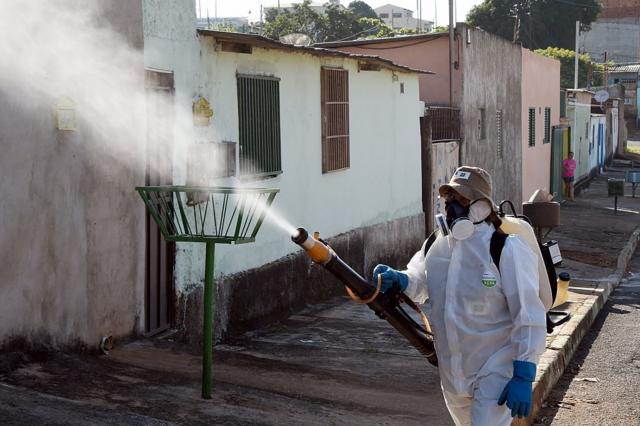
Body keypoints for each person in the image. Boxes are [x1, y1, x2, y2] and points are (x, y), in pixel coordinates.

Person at [373, 166, 547, 426]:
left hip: (495, 367)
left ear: (483, 205)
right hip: (453, 371)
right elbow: (419, 281)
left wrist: (524, 373)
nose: (453, 205)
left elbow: (529, 314)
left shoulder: (506, 249)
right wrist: (400, 279)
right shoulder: (437, 245)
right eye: (450, 198)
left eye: (462, 199)